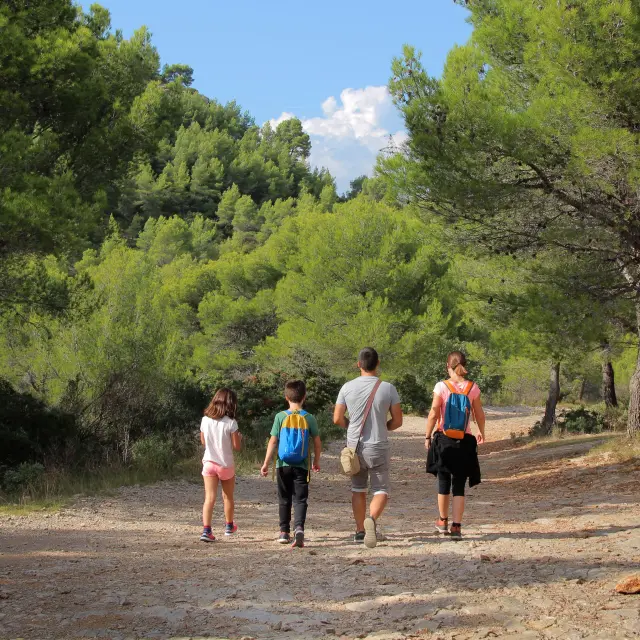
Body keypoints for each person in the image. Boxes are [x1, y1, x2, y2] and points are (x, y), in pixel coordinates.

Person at [333, 347, 403, 548]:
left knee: (358, 489)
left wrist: (351, 427)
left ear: (358, 365)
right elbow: (397, 421)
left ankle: (359, 531)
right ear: (378, 363)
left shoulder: (346, 388)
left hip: (355, 446)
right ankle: (371, 520)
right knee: (381, 489)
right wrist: (384, 426)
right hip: (378, 445)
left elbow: (337, 418)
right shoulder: (388, 388)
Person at [425, 351, 486, 539]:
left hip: (444, 439)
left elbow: (434, 412)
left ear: (447, 366)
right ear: (465, 366)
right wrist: (482, 432)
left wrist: (427, 435)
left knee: (443, 481)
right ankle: (457, 527)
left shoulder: (441, 386)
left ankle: (442, 521)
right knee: (459, 485)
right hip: (465, 441)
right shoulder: (472, 387)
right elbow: (479, 413)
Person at [260, 380, 321, 548]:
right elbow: (317, 441)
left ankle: (283, 532)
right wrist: (316, 461)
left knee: (284, 498)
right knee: (300, 499)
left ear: (286, 397)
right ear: (304, 397)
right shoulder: (309, 418)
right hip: (301, 466)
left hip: (282, 465)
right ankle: (299, 528)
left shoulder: (280, 416)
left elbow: (273, 441)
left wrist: (265, 463)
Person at [199, 388, 243, 542]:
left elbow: (203, 442)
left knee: (209, 498)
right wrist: (240, 438)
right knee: (228, 497)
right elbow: (237, 447)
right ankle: (229, 526)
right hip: (225, 464)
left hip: (209, 462)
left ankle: (206, 531)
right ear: (231, 403)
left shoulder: (205, 420)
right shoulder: (231, 423)